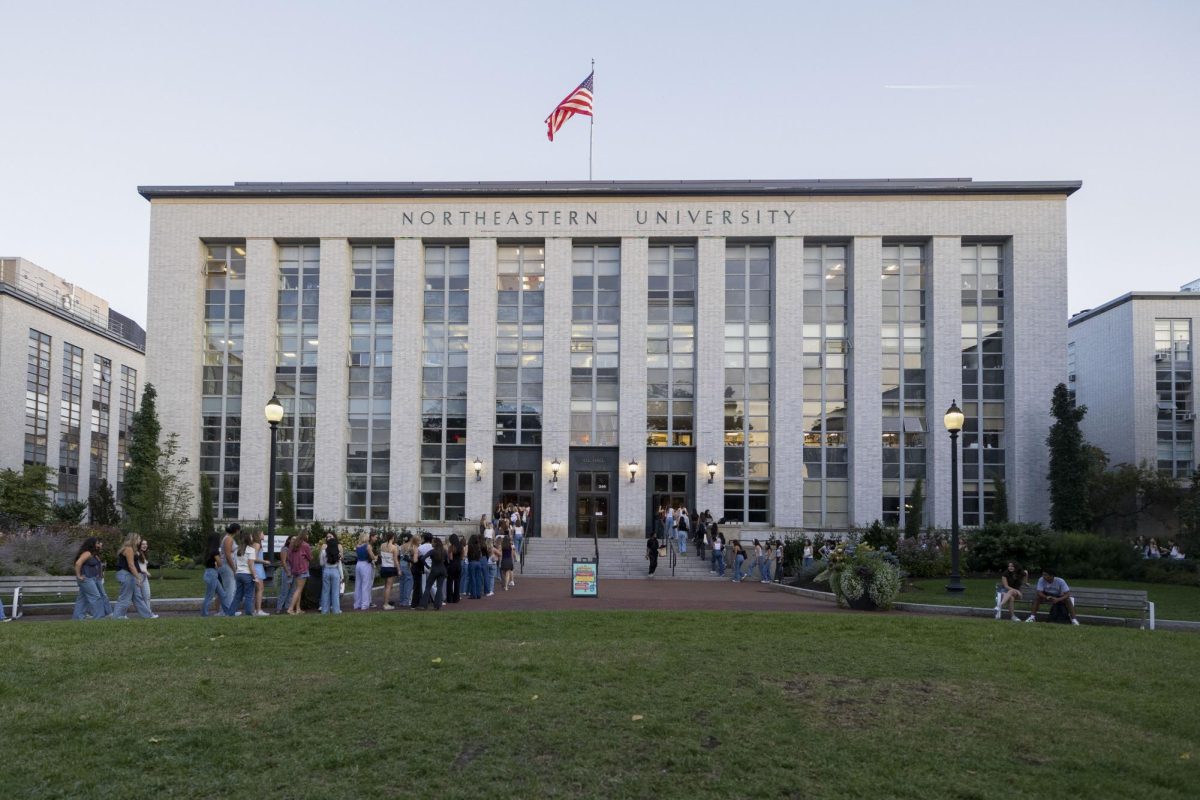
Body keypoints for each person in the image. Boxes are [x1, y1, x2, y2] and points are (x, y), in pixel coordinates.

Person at [113, 533, 156, 619]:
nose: (140, 541)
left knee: (137, 597)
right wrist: (138, 577)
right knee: (125, 597)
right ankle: (117, 617)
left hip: (129, 574)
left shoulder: (132, 549)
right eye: (139, 539)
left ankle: (148, 615)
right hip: (126, 575)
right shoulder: (128, 549)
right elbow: (131, 565)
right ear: (134, 539)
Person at [72, 537, 108, 620]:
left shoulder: (93, 554)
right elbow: (78, 564)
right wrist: (78, 576)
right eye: (98, 543)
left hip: (91, 578)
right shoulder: (87, 553)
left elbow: (98, 565)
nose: (100, 544)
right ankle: (99, 617)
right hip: (86, 579)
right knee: (96, 597)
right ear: (92, 544)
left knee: (82, 600)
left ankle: (77, 618)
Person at [228, 530, 256, 618]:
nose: (252, 538)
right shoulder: (251, 550)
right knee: (248, 595)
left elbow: (235, 562)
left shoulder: (237, 549)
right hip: (247, 574)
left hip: (238, 574)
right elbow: (251, 565)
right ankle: (248, 613)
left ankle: (231, 613)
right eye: (251, 536)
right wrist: (255, 576)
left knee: (238, 595)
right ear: (248, 539)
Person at [200, 533, 228, 617]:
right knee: (209, 595)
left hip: (210, 573)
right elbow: (220, 563)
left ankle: (228, 612)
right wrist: (221, 560)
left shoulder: (208, 551)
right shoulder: (215, 551)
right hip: (212, 574)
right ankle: (204, 614)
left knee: (222, 594)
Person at [285, 534, 313, 615]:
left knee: (298, 589)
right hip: (303, 569)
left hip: (295, 570)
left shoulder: (292, 545)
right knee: (299, 589)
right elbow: (310, 557)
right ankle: (290, 609)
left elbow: (289, 558)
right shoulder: (305, 545)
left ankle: (298, 609)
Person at [420, 537, 448, 610]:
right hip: (442, 570)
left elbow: (422, 558)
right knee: (439, 588)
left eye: (433, 542)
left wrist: (427, 566)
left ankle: (424, 604)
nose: (431, 543)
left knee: (428, 586)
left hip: (434, 569)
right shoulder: (444, 551)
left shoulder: (432, 551)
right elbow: (447, 561)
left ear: (435, 543)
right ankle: (437, 605)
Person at [319, 534, 344, 614]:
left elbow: (321, 563)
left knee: (325, 591)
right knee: (335, 592)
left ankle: (325, 610)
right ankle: (336, 610)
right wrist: (342, 576)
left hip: (326, 570)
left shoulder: (323, 552)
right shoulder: (338, 553)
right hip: (335, 571)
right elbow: (340, 565)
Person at [219, 523, 240, 616]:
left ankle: (226, 610)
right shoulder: (229, 539)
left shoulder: (227, 538)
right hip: (227, 566)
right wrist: (234, 568)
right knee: (230, 589)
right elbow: (228, 555)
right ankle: (228, 611)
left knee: (230, 588)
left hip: (226, 565)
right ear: (236, 530)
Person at [353, 532, 377, 611]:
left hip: (358, 564)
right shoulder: (368, 546)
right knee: (366, 584)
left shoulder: (357, 546)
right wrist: (375, 557)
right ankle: (365, 604)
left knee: (358, 584)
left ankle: (357, 604)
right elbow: (372, 557)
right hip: (365, 564)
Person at [249, 531, 270, 617]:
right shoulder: (257, 544)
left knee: (257, 590)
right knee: (260, 589)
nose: (264, 535)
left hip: (257, 568)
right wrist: (264, 561)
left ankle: (255, 610)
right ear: (258, 535)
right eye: (262, 533)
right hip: (258, 569)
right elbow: (254, 558)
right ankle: (258, 610)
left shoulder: (254, 544)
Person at [379, 531, 400, 609]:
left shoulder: (382, 545)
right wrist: (399, 570)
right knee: (389, 587)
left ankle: (385, 602)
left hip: (383, 567)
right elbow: (395, 560)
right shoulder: (394, 547)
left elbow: (381, 556)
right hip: (390, 568)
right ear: (393, 537)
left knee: (386, 586)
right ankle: (386, 604)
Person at [275, 536, 294, 614]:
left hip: (294, 572)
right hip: (287, 571)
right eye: (293, 539)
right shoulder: (285, 549)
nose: (294, 541)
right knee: (284, 590)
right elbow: (283, 562)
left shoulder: (294, 549)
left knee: (292, 591)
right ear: (289, 540)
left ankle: (287, 608)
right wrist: (288, 572)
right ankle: (278, 608)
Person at [397, 534, 415, 609]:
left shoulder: (401, 546)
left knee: (402, 583)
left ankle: (401, 600)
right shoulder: (411, 546)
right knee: (409, 583)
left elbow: (398, 556)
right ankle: (406, 601)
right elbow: (413, 555)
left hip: (401, 565)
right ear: (411, 538)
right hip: (407, 566)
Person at [446, 533, 463, 602]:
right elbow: (462, 557)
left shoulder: (451, 547)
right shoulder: (461, 547)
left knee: (450, 582)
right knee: (457, 582)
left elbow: (451, 558)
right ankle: (456, 598)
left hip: (452, 565)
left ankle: (449, 598)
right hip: (458, 564)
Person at [136, 539, 153, 605]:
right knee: (135, 597)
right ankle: (121, 613)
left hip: (144, 577)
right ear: (139, 545)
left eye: (146, 544)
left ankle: (148, 613)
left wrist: (146, 572)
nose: (145, 545)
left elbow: (142, 566)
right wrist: (146, 572)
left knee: (147, 595)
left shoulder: (144, 554)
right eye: (143, 544)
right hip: (138, 576)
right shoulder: (137, 553)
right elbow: (136, 566)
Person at [466, 534, 484, 599]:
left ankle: (473, 594)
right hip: (478, 562)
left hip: (472, 562)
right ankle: (478, 594)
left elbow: (468, 555)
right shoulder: (478, 546)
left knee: (472, 579)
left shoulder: (470, 546)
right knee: (478, 578)